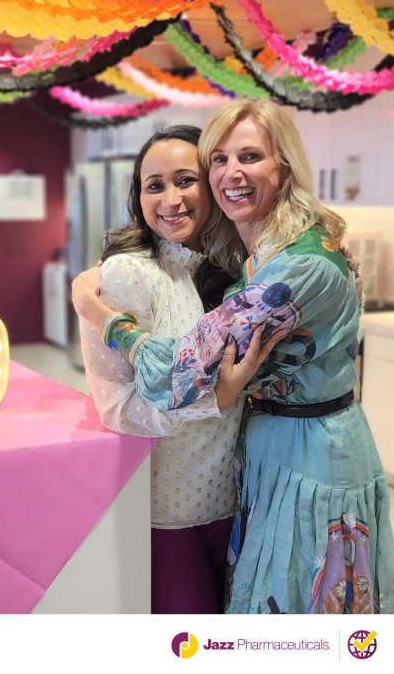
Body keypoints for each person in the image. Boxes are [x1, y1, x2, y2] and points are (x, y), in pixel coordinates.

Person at [73, 99, 394, 614]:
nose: (231, 172)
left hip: (311, 454)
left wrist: (97, 311)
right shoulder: (248, 256)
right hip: (261, 458)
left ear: (283, 165)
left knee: (311, 613)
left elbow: (177, 373)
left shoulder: (294, 267)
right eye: (219, 159)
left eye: (249, 156)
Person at [80, 124, 276, 614]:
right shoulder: (129, 273)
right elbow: (116, 407)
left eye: (185, 180)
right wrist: (215, 396)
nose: (171, 199)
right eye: (154, 185)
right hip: (168, 511)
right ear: (138, 196)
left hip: (231, 502)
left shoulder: (226, 267)